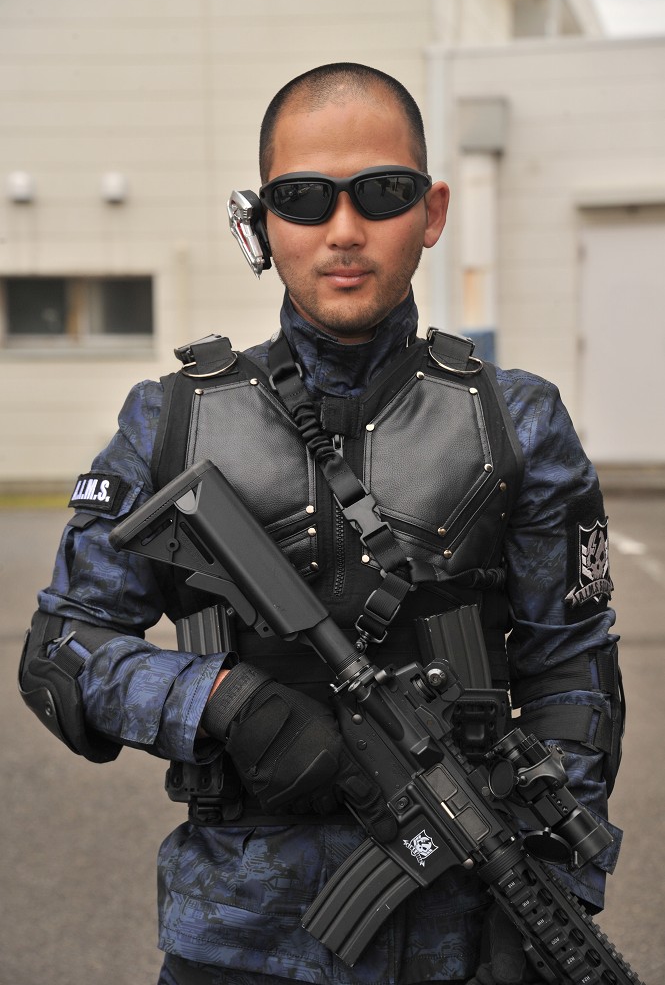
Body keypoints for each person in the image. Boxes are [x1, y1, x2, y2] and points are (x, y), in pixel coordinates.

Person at [20, 63, 623, 985]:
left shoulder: (517, 422)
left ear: (431, 212)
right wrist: (220, 702)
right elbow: (62, 652)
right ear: (261, 222)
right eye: (303, 199)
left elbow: (572, 673)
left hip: (464, 932)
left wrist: (553, 897)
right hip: (236, 934)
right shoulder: (169, 419)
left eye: (382, 193)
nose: (343, 231)